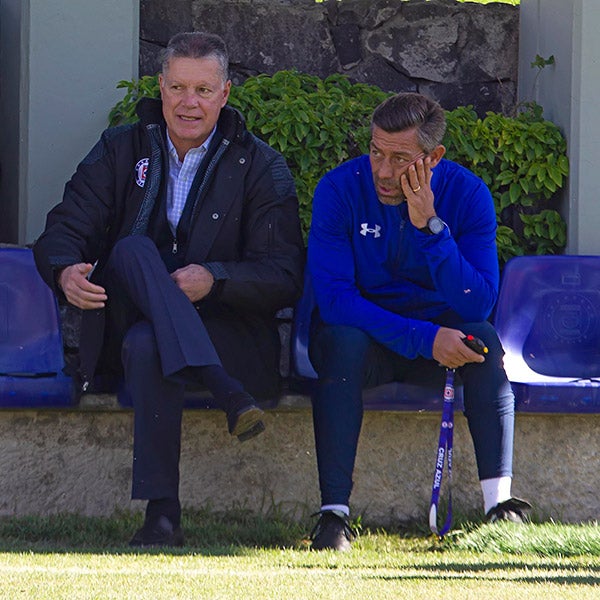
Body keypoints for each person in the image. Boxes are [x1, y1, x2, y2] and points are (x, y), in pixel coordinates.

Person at [33, 32, 305, 547]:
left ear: (225, 93)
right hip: (139, 324)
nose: (189, 103)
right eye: (178, 87)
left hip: (228, 335)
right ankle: (224, 393)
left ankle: (162, 515)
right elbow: (65, 227)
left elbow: (283, 274)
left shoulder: (261, 165)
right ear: (160, 88)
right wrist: (66, 270)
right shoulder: (122, 147)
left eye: (203, 90)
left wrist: (214, 280)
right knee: (133, 252)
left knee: (151, 344)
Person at [307, 92, 531, 551]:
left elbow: (477, 303)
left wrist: (431, 227)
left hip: (440, 341)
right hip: (367, 339)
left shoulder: (467, 195)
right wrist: (424, 338)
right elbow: (334, 301)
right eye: (376, 152)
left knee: (483, 339)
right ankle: (333, 517)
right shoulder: (338, 189)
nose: (384, 172)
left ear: (434, 157)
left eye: (401, 159)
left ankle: (500, 507)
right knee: (341, 342)